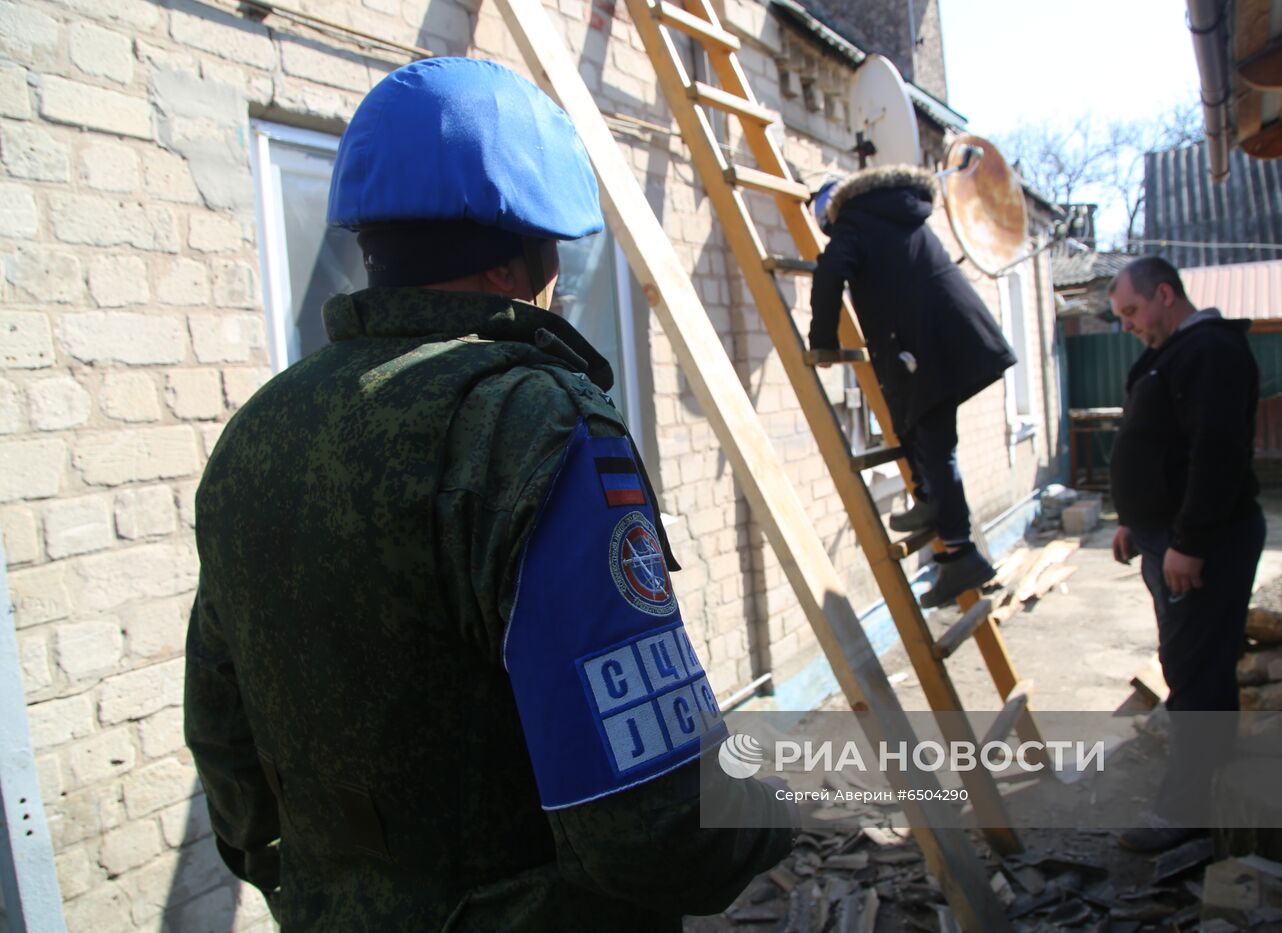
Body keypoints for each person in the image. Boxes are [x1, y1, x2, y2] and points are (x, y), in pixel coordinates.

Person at [183, 57, 792, 931]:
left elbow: (227, 752)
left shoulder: (257, 431)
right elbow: (654, 829)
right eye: (556, 254)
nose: (560, 281)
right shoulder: (530, 423)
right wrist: (782, 798)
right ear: (514, 265)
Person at [1106, 256, 1265, 853]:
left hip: (1204, 544)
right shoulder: (1175, 351)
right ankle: (1213, 781)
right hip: (1167, 537)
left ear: (1165, 294)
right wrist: (1134, 519)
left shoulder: (1211, 351)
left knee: (1196, 673)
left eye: (1132, 310)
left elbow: (1216, 454)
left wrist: (1190, 543)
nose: (1127, 324)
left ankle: (1186, 812)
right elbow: (1159, 443)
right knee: (1192, 664)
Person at [809, 166, 1016, 609]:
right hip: (948, 334)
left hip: (924, 343)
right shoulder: (893, 211)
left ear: (830, 213)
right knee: (923, 427)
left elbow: (830, 271)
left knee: (934, 439)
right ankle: (929, 501)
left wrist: (822, 341)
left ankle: (960, 554)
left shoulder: (854, 220)